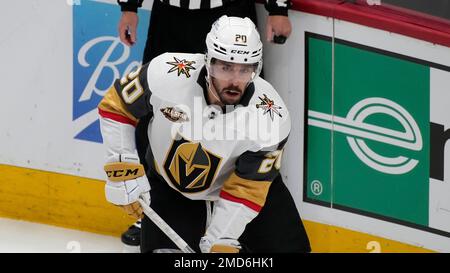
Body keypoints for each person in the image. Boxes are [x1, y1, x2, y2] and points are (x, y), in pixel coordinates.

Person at [99, 15, 310, 253]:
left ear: (256, 69)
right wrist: (122, 165)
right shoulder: (168, 72)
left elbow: (248, 189)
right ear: (208, 62)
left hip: (243, 194)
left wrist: (221, 239)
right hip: (172, 190)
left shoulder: (270, 116)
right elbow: (116, 106)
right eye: (225, 67)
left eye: (244, 70)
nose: (234, 80)